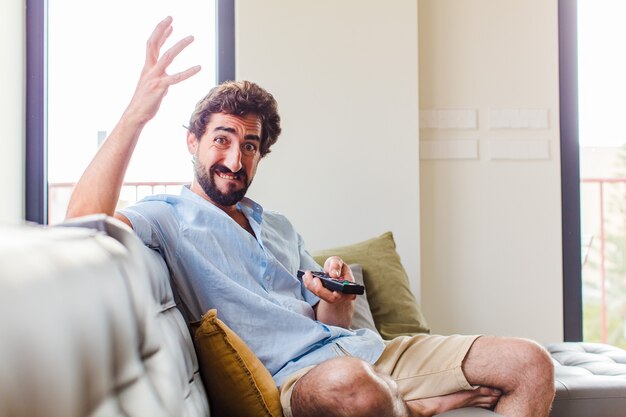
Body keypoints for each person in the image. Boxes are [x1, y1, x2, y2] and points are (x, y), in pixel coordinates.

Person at [67, 17, 555, 417]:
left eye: (250, 145)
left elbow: (334, 324)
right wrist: (136, 113)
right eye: (221, 139)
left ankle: (406, 401)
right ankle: (417, 406)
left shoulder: (277, 225)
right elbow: (81, 225)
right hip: (305, 378)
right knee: (356, 391)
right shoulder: (166, 218)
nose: (235, 160)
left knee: (529, 363)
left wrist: (332, 295)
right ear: (192, 142)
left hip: (369, 352)